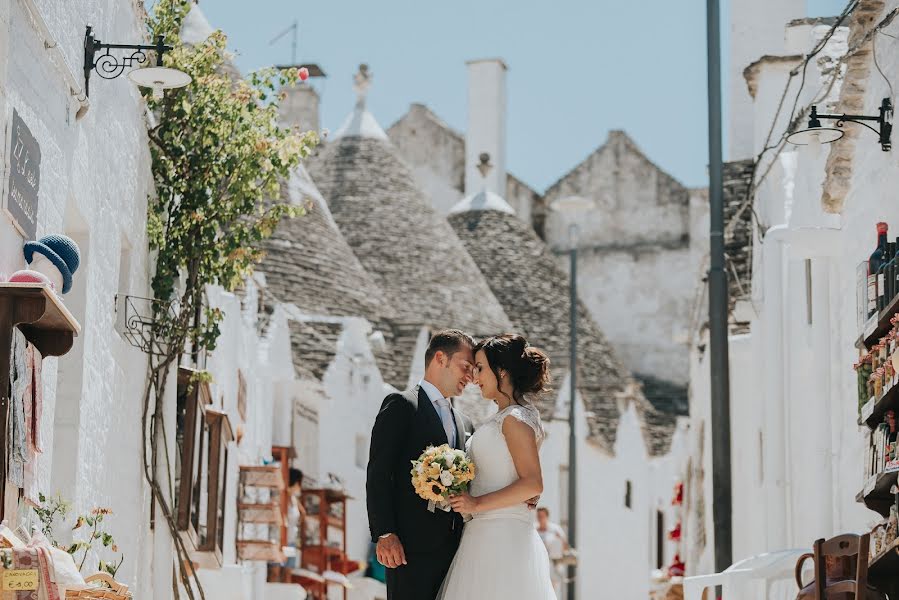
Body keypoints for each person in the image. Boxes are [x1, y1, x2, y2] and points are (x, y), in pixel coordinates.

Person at [438, 334, 556, 599]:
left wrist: (475, 504)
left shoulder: (514, 419)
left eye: (480, 368)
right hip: (484, 533)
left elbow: (532, 483)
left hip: (500, 536)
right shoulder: (508, 416)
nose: (475, 378)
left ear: (501, 371)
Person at [366, 330, 477, 600]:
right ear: (440, 358)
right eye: (465, 367)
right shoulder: (402, 405)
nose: (470, 377)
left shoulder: (466, 423)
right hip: (408, 547)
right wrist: (385, 532)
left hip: (456, 549)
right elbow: (379, 472)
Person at [536, 507, 568, 597]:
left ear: (547, 516)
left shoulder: (555, 529)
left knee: (552, 590)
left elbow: (565, 547)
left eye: (542, 516)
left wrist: (560, 540)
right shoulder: (534, 529)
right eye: (538, 516)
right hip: (540, 563)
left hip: (554, 564)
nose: (540, 518)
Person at [285, 467, 305, 568]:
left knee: (288, 570)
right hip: (281, 540)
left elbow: (303, 513)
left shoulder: (294, 499)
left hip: (291, 541)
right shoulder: (283, 496)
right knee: (276, 571)